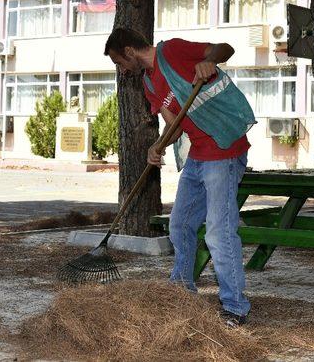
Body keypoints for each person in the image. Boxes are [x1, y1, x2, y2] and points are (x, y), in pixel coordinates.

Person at [104, 28, 256, 327]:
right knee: (180, 224)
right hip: (198, 155)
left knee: (218, 231)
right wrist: (157, 145)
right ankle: (181, 290)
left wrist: (209, 61)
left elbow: (224, 47)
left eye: (119, 62)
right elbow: (174, 125)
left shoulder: (171, 51)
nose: (122, 70)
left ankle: (235, 307)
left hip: (223, 149)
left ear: (129, 51)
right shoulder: (149, 83)